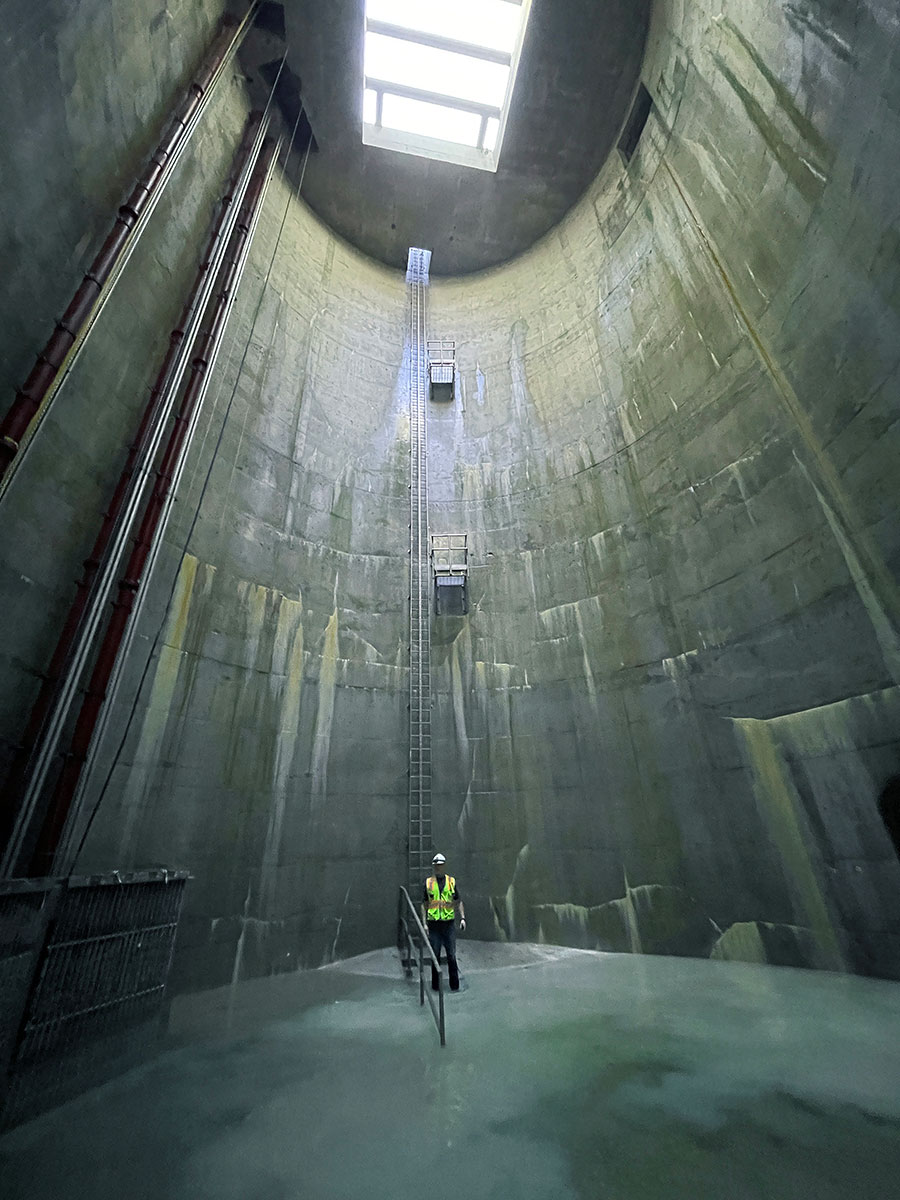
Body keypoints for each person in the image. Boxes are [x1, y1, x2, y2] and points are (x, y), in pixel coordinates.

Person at [421, 852, 466, 991]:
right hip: (434, 925)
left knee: (451, 955)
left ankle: (454, 986)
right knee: (435, 956)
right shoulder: (429, 883)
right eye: (436, 865)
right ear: (434, 867)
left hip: (448, 925)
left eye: (440, 865)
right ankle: (436, 987)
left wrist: (462, 918)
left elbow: (458, 901)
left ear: (444, 866)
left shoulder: (451, 882)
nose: (438, 868)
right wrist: (424, 923)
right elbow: (424, 904)